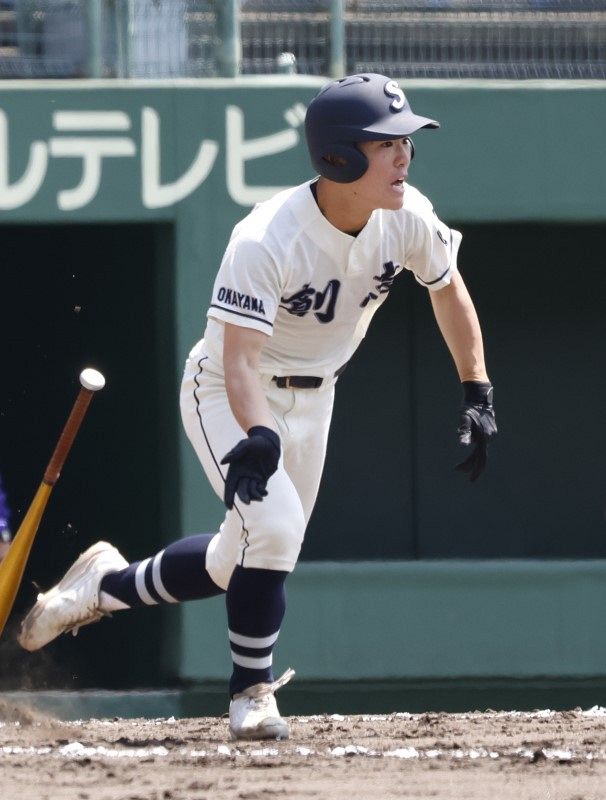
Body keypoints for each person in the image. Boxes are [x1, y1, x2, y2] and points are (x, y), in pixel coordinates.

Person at [17, 73, 497, 740]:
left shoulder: (408, 216)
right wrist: (260, 435)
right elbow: (238, 358)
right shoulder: (266, 236)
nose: (404, 155)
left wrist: (477, 388)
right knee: (271, 529)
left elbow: (447, 288)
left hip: (316, 392)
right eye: (386, 143)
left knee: (232, 560)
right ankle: (250, 695)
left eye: (406, 142)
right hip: (228, 390)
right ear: (339, 157)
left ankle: (99, 588)